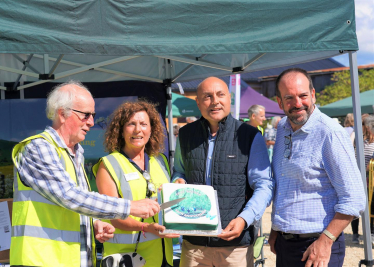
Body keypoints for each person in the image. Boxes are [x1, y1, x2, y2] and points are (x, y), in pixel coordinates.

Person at [11, 82, 160, 267]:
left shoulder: (74, 153)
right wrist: (129, 206)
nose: (91, 122)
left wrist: (94, 222)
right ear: (62, 113)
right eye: (85, 115)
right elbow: (69, 196)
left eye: (93, 115)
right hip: (42, 260)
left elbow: (71, 205)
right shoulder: (39, 148)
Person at [268, 68, 366, 267]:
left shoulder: (330, 133)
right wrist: (276, 230)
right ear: (279, 102)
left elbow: (354, 199)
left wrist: (326, 240)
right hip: (285, 245)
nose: (298, 104)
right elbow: (287, 185)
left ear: (312, 94)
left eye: (303, 95)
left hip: (318, 245)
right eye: (289, 98)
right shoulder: (282, 129)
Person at [173, 77, 273, 267]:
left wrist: (244, 219)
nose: (215, 101)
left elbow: (264, 185)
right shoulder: (185, 135)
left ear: (229, 97)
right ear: (198, 102)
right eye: (207, 97)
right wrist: (179, 181)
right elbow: (179, 171)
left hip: (234, 248)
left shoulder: (249, 135)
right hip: (194, 245)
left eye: (220, 95)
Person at [93, 100, 178, 267]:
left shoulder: (160, 160)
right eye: (131, 124)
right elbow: (114, 215)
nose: (138, 130)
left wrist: (177, 187)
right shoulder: (108, 165)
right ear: (121, 130)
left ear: (151, 128)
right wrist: (146, 227)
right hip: (127, 258)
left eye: (144, 124)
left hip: (163, 257)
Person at [351, 115, 374, 243]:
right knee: (356, 206)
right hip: (359, 177)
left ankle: (370, 233)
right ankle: (355, 234)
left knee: (370, 206)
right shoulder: (360, 141)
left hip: (370, 178)